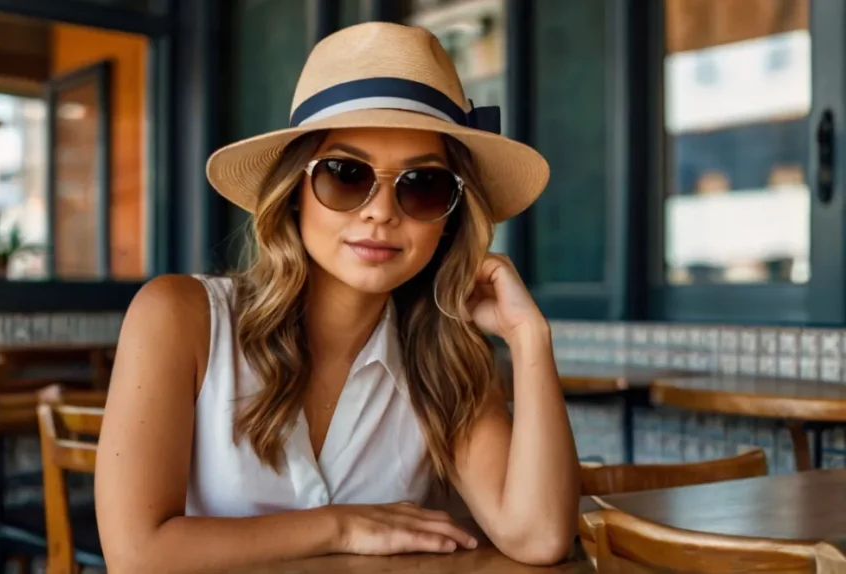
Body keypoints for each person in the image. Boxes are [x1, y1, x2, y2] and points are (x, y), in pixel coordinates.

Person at [95, 21, 579, 573]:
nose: (380, 211)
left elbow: (539, 538)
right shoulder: (178, 318)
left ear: (449, 220)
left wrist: (530, 338)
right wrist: (343, 525)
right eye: (346, 174)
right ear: (294, 193)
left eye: (423, 184)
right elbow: (136, 557)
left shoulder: (447, 361)